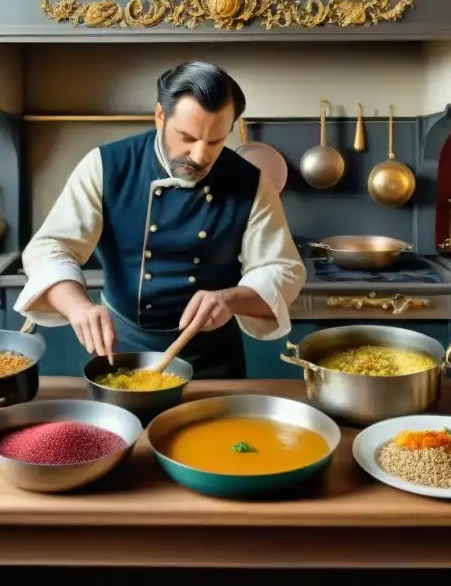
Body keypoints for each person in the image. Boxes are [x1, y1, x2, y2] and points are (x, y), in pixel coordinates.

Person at [15, 61, 306, 379]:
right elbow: (52, 247)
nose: (199, 155)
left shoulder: (251, 183)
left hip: (213, 361)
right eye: (187, 137)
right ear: (159, 116)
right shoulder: (106, 165)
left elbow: (281, 269)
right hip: (120, 351)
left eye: (214, 142)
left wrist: (230, 298)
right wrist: (77, 306)